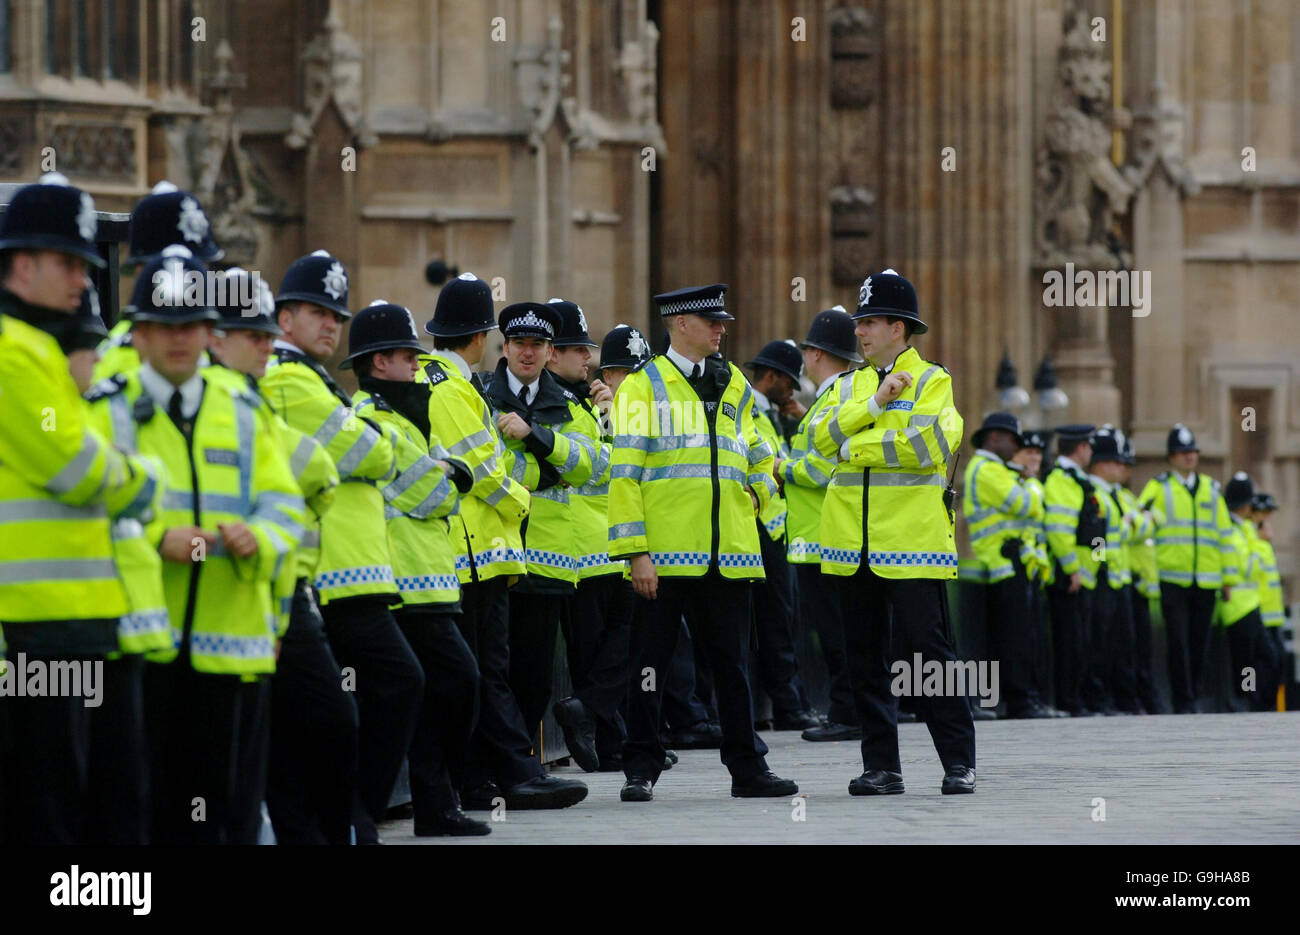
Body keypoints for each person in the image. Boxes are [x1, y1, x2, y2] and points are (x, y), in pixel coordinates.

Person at [88, 244, 304, 843]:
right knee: (141, 810)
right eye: (163, 326)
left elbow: (286, 506)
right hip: (140, 647)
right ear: (140, 333)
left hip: (227, 644)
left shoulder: (241, 410)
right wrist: (157, 537)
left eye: (191, 326)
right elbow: (80, 508)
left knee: (221, 812)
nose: (177, 339)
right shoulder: (107, 409)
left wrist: (255, 535)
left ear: (210, 332)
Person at [0, 174, 155, 844]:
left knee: (106, 801)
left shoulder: (40, 347)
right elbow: (75, 465)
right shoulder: (13, 352)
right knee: (51, 808)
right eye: (68, 262)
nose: (81, 278)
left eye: (86, 264)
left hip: (85, 616)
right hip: (37, 627)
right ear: (21, 263)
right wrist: (137, 474)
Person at [610, 283, 798, 802]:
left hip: (730, 552)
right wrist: (636, 553)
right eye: (710, 320)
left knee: (732, 667)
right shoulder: (643, 386)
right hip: (666, 556)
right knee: (650, 665)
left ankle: (748, 768)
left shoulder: (734, 381)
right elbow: (624, 476)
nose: (721, 328)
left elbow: (758, 449)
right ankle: (640, 765)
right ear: (679, 324)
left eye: (722, 321)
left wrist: (760, 492)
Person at [263, 250, 422, 843]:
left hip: (344, 570)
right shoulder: (289, 381)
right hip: (328, 571)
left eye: (336, 314)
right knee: (379, 692)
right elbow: (373, 455)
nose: (330, 324)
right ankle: (352, 819)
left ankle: (347, 820)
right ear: (284, 319)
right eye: (315, 312)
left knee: (325, 713)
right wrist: (373, 441)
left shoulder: (313, 381)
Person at [418, 273, 587, 810]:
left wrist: (538, 444)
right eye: (514, 341)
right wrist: (522, 494)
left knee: (492, 673)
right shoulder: (456, 388)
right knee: (483, 672)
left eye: (540, 345)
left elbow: (593, 463)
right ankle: (514, 774)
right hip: (477, 550)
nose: (526, 352)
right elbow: (485, 468)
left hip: (494, 555)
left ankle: (480, 778)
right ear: (486, 338)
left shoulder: (452, 383)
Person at [205, 268, 358, 845]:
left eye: (271, 337)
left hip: (277, 594)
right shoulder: (245, 394)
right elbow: (322, 464)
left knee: (299, 735)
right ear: (217, 338)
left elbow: (297, 479)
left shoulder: (252, 393)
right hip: (234, 604)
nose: (269, 348)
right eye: (256, 337)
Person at [812, 269, 973, 795]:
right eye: (860, 322)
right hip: (850, 545)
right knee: (864, 659)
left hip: (911, 542)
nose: (859, 331)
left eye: (872, 322)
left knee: (930, 657)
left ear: (900, 329)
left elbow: (926, 446)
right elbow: (815, 437)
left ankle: (958, 761)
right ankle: (883, 767)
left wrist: (852, 447)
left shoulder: (934, 381)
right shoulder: (846, 386)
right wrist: (876, 404)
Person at [345, 300, 489, 836]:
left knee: (440, 694)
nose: (417, 364)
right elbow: (433, 493)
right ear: (380, 362)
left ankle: (435, 805)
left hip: (429, 578)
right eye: (408, 355)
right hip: (399, 581)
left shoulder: (407, 413)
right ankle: (366, 812)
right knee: (454, 683)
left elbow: (439, 483)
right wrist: (448, 474)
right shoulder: (370, 420)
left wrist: (444, 475)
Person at [545, 301, 632, 773]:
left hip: (609, 539)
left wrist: (609, 416)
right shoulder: (554, 402)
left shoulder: (585, 398)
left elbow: (619, 458)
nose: (588, 358)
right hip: (580, 543)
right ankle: (607, 738)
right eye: (577, 349)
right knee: (595, 649)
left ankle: (607, 736)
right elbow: (593, 471)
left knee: (616, 643)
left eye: (588, 349)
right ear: (552, 355)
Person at [781, 307, 862, 742]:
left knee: (835, 632)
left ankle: (848, 712)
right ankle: (850, 708)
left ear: (814, 354)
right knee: (838, 629)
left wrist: (782, 467)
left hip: (822, 536)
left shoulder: (836, 398)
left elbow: (823, 467)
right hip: (824, 535)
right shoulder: (836, 397)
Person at [1137, 424, 1238, 713]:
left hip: (1206, 579)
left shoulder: (1211, 489)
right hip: (1172, 578)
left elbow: (1225, 536)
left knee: (1199, 641)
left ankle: (1194, 694)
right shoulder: (1158, 487)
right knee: (1177, 641)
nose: (1189, 457)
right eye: (1182, 453)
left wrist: (1228, 578)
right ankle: (1183, 699)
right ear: (1171, 457)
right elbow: (1141, 522)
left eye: (1192, 452)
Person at [743, 340, 818, 731]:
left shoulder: (771, 414)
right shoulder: (748, 409)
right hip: (760, 526)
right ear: (770, 377)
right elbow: (771, 466)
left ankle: (790, 702)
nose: (792, 391)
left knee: (784, 621)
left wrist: (800, 419)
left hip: (777, 528)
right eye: (789, 383)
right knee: (775, 621)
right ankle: (788, 706)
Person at [962, 412, 1050, 718]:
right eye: (1015, 441)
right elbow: (1029, 507)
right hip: (1003, 563)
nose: (1018, 450)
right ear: (994, 437)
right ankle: (1021, 701)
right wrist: (1032, 485)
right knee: (1014, 639)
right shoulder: (988, 469)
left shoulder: (999, 470)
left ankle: (1028, 698)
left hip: (1017, 564)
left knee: (1024, 637)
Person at [93, 181, 223, 382]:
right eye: (184, 271)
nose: (199, 278)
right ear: (142, 272)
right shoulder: (115, 363)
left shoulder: (218, 346)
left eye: (200, 267)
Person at [1043, 424, 1104, 716]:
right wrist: (1072, 569)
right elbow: (1059, 530)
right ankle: (1068, 701)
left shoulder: (1080, 481)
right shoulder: (1062, 480)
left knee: (1081, 642)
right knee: (1069, 642)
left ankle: (1077, 700)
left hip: (1084, 576)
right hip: (1070, 577)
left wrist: (1098, 563)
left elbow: (1096, 528)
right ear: (1080, 448)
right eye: (1089, 446)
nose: (1091, 452)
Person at [1010, 430, 1068, 717]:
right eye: (1028, 452)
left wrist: (1100, 559)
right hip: (1062, 573)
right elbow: (1064, 530)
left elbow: (1099, 534)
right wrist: (1086, 565)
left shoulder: (1092, 491)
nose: (1034, 458)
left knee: (1043, 642)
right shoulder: (1053, 483)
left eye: (1037, 453)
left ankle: (1052, 699)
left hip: (1060, 572)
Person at [1088, 428, 1138, 714]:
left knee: (1121, 643)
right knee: (1101, 643)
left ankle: (1120, 699)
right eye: (1117, 462)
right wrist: (1099, 563)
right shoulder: (1094, 492)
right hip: (1102, 576)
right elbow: (1096, 535)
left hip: (1118, 577)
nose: (1123, 468)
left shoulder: (1114, 494)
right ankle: (1101, 699)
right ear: (1102, 463)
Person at [1218, 473, 1272, 711]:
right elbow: (1248, 566)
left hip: (1250, 602)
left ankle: (1254, 702)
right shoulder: (1230, 530)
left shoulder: (1244, 528)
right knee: (1245, 662)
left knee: (1266, 657)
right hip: (1238, 605)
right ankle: (1245, 700)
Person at [1116, 434, 1161, 714]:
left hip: (1139, 582)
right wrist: (1143, 523)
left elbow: (1146, 525)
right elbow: (1130, 530)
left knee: (1142, 648)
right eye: (1123, 463)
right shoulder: (1119, 497)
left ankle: (1141, 697)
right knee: (1127, 647)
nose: (1127, 470)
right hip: (1126, 578)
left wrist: (1141, 523)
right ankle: (1130, 698)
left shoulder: (1127, 496)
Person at [1251, 492, 1287, 708]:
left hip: (1273, 617)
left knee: (1276, 663)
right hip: (1256, 614)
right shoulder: (1251, 541)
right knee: (1253, 667)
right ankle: (1250, 702)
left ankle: (1267, 705)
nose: (1268, 520)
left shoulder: (1265, 545)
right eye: (1263, 514)